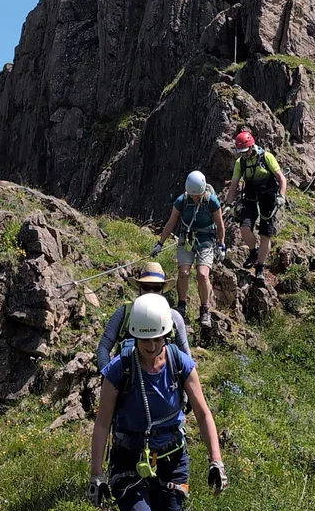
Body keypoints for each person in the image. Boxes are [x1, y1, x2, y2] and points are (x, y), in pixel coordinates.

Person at [90, 293, 227, 511]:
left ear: (167, 334)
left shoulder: (180, 363)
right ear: (134, 336)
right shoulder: (120, 368)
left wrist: (216, 461)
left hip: (171, 460)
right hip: (129, 458)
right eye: (143, 340)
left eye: (156, 340)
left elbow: (203, 412)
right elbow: (102, 423)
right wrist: (96, 475)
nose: (150, 348)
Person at [153, 171, 226, 326]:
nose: (195, 198)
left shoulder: (211, 201)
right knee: (183, 272)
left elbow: (220, 225)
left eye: (197, 195)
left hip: (206, 240)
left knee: (202, 275)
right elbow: (171, 222)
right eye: (193, 195)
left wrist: (221, 244)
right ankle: (182, 305)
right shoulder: (182, 201)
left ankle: (205, 309)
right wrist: (160, 243)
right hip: (187, 238)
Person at [95, 260, 191, 370]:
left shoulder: (174, 317)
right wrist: (108, 375)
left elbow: (185, 353)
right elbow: (104, 347)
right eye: (146, 287)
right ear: (140, 288)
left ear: (162, 290)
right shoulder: (124, 313)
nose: (151, 291)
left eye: (156, 288)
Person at [226, 129, 288, 281]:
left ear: (252, 146)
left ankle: (260, 267)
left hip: (268, 198)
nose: (243, 154)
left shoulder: (266, 157)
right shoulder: (240, 163)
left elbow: (282, 179)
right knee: (245, 228)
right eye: (241, 152)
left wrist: (282, 196)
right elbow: (234, 184)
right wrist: (228, 204)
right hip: (251, 198)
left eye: (245, 151)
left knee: (265, 234)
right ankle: (253, 252)